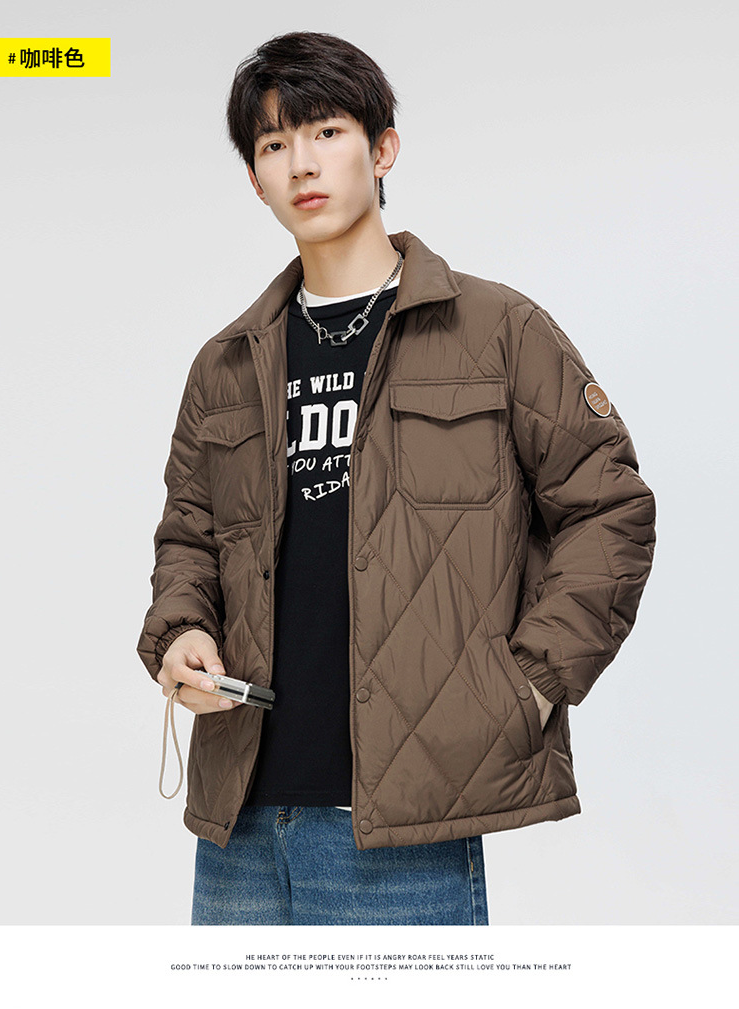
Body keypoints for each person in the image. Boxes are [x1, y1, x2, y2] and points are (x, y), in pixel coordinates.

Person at [137, 31, 657, 926]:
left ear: (383, 150)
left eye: (326, 132)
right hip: (240, 830)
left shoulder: (496, 331)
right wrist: (181, 632)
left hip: (405, 834)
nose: (302, 162)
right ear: (255, 179)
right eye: (273, 144)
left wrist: (529, 684)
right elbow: (189, 537)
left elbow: (609, 508)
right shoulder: (225, 364)